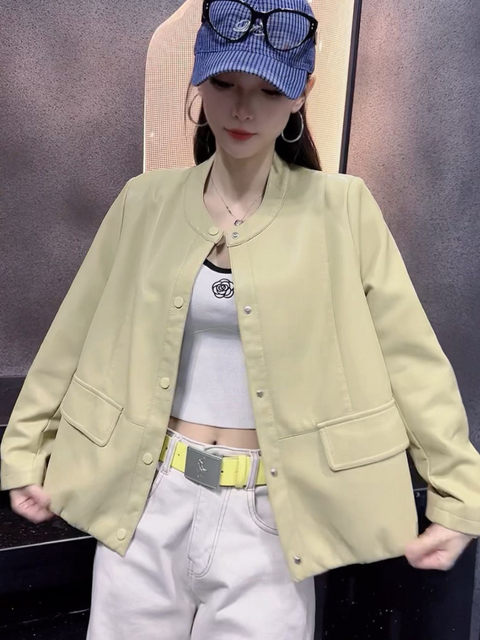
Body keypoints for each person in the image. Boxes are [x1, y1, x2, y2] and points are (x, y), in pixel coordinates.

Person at [1, 0, 480, 638]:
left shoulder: (343, 211)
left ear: (302, 93)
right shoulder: (144, 204)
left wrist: (458, 493)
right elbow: (72, 335)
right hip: (146, 502)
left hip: (271, 520)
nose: (243, 109)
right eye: (225, 83)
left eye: (269, 89)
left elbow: (410, 357)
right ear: (198, 78)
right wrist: (24, 449)